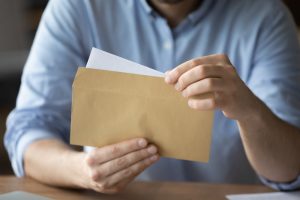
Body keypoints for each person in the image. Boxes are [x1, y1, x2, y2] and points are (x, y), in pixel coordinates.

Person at [4, 0, 300, 194]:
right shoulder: (77, 7)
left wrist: (249, 111)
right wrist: (81, 170)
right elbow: (29, 128)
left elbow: (291, 169)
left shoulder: (266, 16)